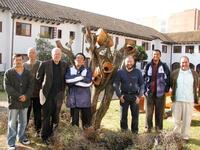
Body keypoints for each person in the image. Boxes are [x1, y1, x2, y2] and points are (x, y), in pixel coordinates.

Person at [36, 47, 68, 145]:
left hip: (59, 95)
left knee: (56, 116)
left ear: (61, 55)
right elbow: (38, 78)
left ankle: (54, 136)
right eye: (55, 54)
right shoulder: (45, 64)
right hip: (47, 95)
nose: (57, 55)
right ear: (52, 55)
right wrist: (42, 90)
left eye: (58, 54)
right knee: (46, 116)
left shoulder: (65, 65)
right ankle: (44, 137)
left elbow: (67, 78)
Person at [4, 54, 33, 150]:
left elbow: (31, 86)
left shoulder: (28, 73)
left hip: (25, 102)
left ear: (23, 61)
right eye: (16, 60)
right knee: (12, 123)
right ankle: (11, 142)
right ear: (13, 61)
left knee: (23, 121)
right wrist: (18, 96)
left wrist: (26, 96)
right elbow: (7, 87)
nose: (18, 61)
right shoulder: (8, 73)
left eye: (20, 60)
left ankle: (21, 138)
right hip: (14, 102)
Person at [113, 55, 144, 134]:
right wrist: (119, 96)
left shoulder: (138, 72)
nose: (129, 63)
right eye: (128, 61)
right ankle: (124, 133)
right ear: (125, 62)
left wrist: (139, 97)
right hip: (124, 96)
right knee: (123, 117)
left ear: (133, 62)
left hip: (135, 97)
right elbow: (116, 84)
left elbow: (142, 85)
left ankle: (134, 133)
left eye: (131, 61)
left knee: (135, 117)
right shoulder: (120, 72)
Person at [170, 56, 199, 142]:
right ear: (180, 64)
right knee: (176, 120)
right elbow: (171, 84)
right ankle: (176, 136)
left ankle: (185, 137)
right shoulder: (174, 73)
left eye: (186, 62)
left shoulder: (194, 73)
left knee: (187, 120)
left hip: (189, 100)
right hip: (177, 100)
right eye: (182, 62)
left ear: (189, 63)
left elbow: (197, 85)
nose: (184, 64)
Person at [144, 49, 170, 133]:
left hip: (160, 93)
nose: (156, 56)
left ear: (160, 56)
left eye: (158, 54)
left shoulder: (164, 65)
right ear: (152, 55)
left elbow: (168, 77)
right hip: (149, 93)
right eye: (154, 54)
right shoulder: (148, 65)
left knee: (159, 112)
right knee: (149, 112)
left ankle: (159, 129)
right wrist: (145, 90)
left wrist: (166, 88)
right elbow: (144, 78)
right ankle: (148, 128)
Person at [65, 53, 92, 128]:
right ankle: (76, 139)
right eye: (77, 58)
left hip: (85, 100)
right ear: (74, 60)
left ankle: (87, 138)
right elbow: (67, 80)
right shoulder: (69, 69)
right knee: (74, 124)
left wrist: (73, 80)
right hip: (73, 100)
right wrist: (82, 77)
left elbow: (88, 83)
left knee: (87, 123)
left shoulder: (88, 70)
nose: (79, 60)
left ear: (84, 61)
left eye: (81, 58)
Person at [24, 47, 42, 137]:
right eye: (30, 52)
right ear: (28, 54)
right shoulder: (24, 65)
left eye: (33, 52)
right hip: (27, 94)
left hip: (37, 94)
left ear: (36, 54)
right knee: (25, 113)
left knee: (37, 114)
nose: (32, 54)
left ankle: (38, 132)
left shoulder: (40, 64)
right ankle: (24, 131)